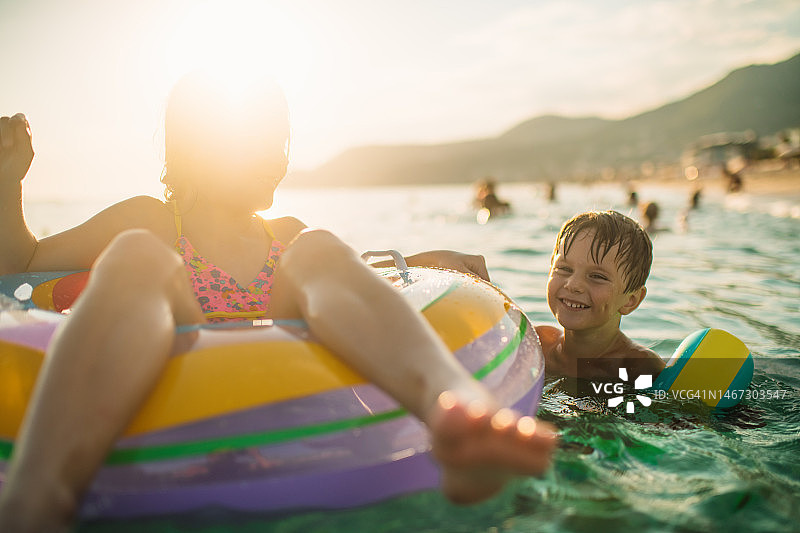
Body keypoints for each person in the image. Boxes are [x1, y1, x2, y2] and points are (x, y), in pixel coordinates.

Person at [0, 71, 557, 531]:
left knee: (317, 248)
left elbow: (349, 292)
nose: (278, 156)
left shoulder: (285, 234)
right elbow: (21, 268)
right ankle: (38, 491)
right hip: (176, 359)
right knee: (136, 257)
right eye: (258, 141)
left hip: (291, 403)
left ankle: (455, 410)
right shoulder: (149, 219)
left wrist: (420, 264)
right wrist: (9, 180)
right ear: (198, 149)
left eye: (281, 142)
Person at [534, 210, 665, 381]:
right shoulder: (536, 346)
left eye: (597, 277)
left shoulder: (639, 368)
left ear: (631, 300)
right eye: (564, 269)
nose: (573, 284)